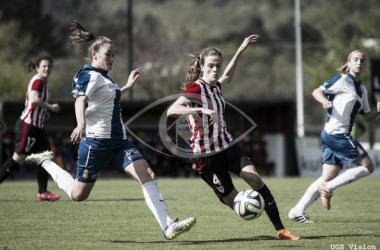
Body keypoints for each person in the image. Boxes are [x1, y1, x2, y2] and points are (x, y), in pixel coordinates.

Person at [25, 20, 196, 240]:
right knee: (78, 195)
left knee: (148, 174)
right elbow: (81, 101)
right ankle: (45, 161)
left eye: (114, 54)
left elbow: (105, 100)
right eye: (108, 54)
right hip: (96, 144)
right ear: (94, 53)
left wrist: (125, 87)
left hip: (119, 143)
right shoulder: (88, 75)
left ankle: (167, 225)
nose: (112, 58)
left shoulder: (106, 79)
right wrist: (81, 124)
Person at [167, 34, 301, 240]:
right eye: (211, 65)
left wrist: (239, 51)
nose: (215, 69)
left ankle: (281, 230)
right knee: (235, 202)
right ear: (202, 66)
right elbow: (172, 110)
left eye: (218, 66)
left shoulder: (216, 86)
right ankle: (223, 194)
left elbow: (227, 76)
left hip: (227, 145)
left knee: (255, 179)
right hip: (206, 156)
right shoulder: (196, 88)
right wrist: (201, 110)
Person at [288, 50, 380, 223]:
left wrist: (377, 111)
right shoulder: (342, 79)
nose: (359, 62)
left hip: (331, 135)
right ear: (349, 62)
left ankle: (297, 210)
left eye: (362, 60)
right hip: (337, 133)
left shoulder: (362, 89)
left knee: (327, 176)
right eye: (355, 59)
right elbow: (317, 91)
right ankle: (329, 188)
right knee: (368, 166)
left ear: (365, 65)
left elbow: (366, 116)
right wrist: (323, 100)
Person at [0, 53, 61, 202]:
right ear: (37, 68)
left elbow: (35, 104)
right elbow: (34, 100)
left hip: (38, 127)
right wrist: (51, 107)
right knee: (19, 158)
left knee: (44, 156)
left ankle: (43, 192)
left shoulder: (44, 84)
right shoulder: (38, 81)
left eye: (49, 66)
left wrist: (44, 112)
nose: (47, 69)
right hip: (28, 126)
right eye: (44, 66)